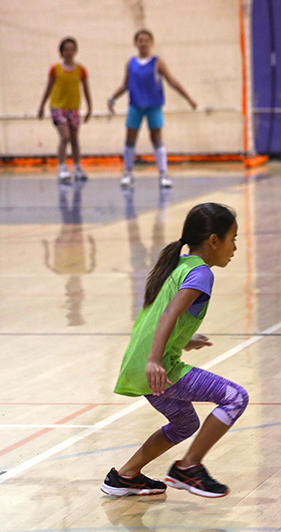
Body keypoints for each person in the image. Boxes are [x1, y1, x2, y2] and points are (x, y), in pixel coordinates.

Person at [101, 203, 247, 499]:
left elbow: (159, 317)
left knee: (185, 424)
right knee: (235, 397)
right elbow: (169, 313)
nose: (235, 247)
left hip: (138, 365)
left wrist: (183, 340)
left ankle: (125, 476)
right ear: (214, 240)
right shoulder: (201, 273)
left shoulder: (179, 265)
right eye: (233, 239)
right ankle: (189, 467)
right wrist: (156, 360)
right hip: (158, 369)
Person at [107, 29, 197, 188]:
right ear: (136, 43)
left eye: (146, 41)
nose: (143, 44)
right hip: (135, 106)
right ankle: (128, 173)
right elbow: (125, 85)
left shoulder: (157, 62)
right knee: (130, 140)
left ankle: (163, 174)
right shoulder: (131, 63)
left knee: (157, 139)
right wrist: (112, 98)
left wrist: (188, 98)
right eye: (140, 41)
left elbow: (172, 82)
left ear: (151, 43)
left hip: (153, 106)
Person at [37, 37, 92, 183]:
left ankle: (77, 167)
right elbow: (48, 88)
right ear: (61, 52)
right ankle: (62, 167)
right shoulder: (55, 69)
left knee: (74, 139)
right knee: (65, 136)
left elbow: (86, 90)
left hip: (73, 108)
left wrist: (89, 108)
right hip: (57, 107)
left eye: (71, 49)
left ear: (75, 51)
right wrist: (41, 106)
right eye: (66, 49)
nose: (69, 52)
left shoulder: (81, 70)